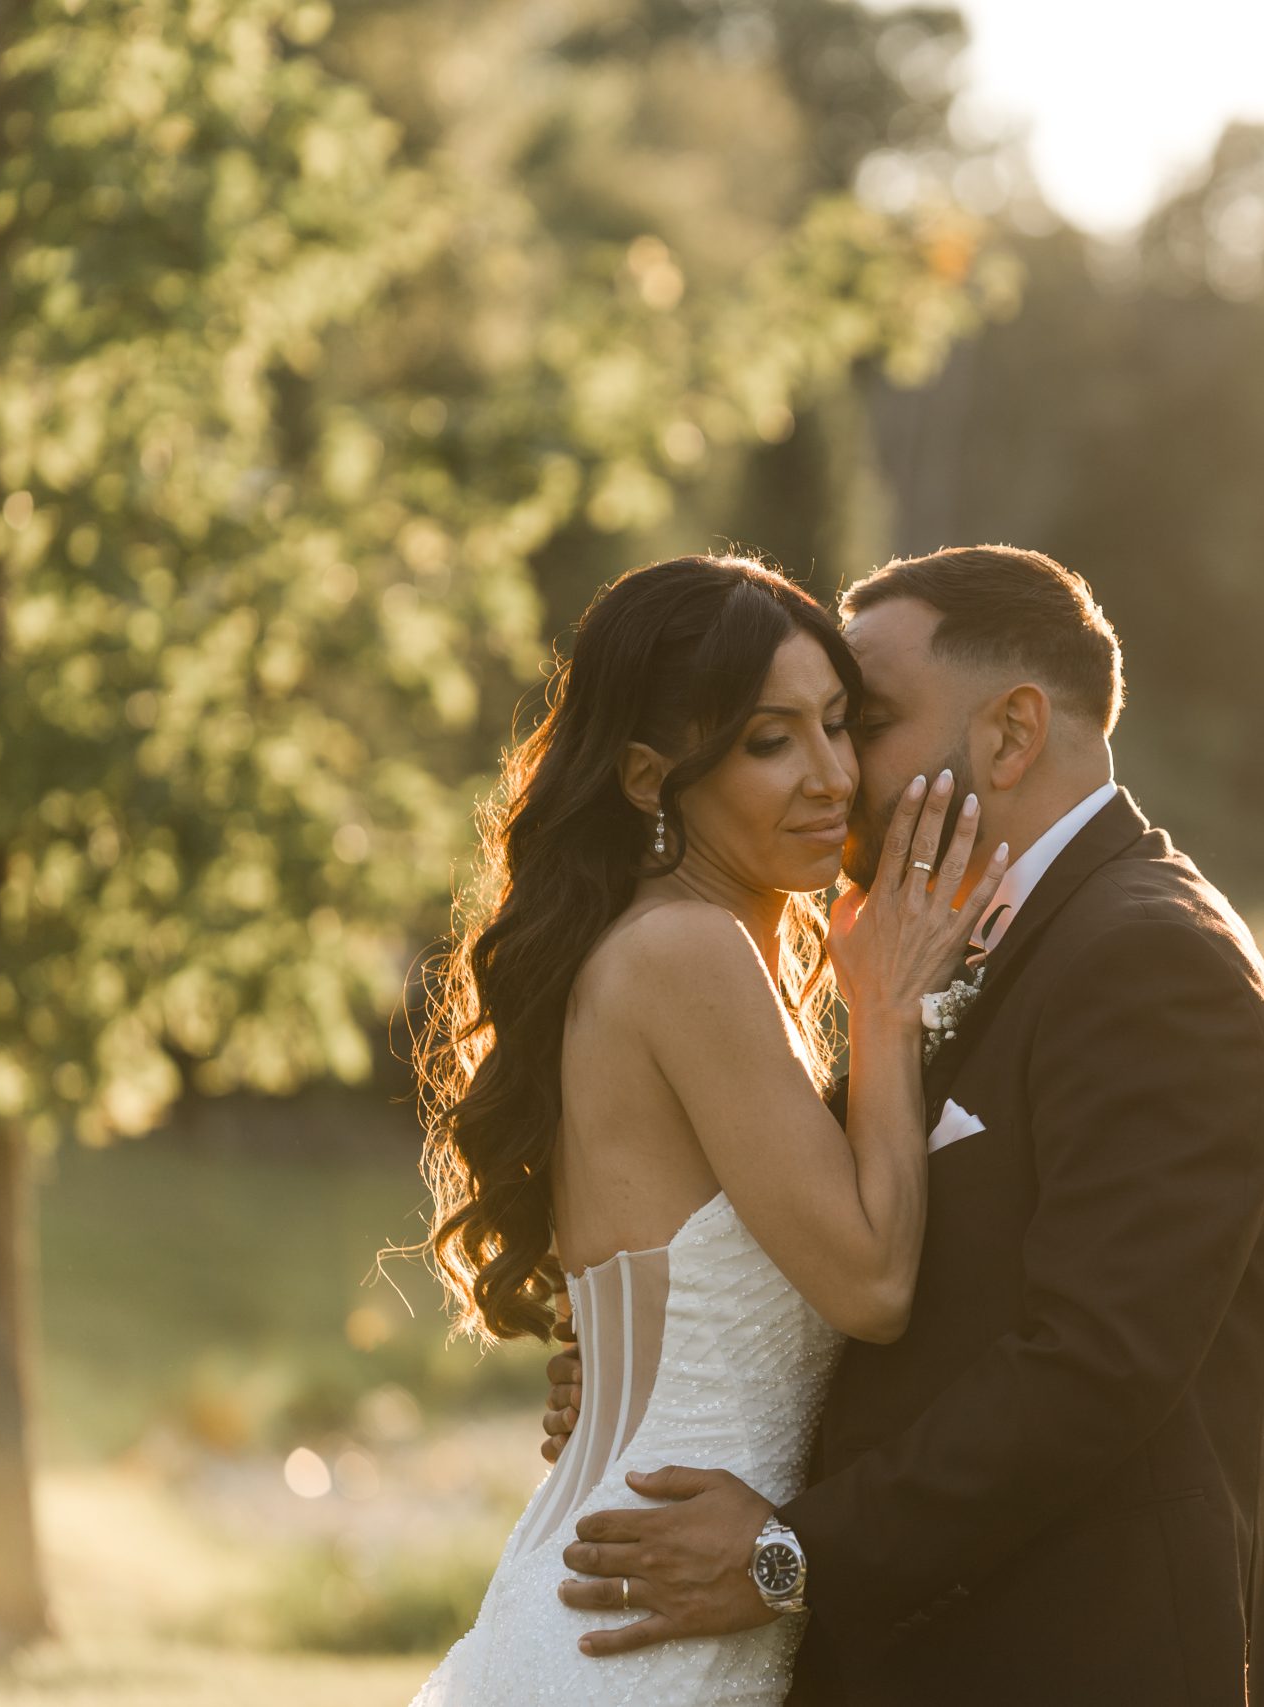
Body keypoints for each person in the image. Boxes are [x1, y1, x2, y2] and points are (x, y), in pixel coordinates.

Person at [540, 546, 1264, 1706]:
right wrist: (649, 1379)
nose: (839, 773)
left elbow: (1095, 1366)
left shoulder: (1154, 961)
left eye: (866, 722)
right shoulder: (924, 948)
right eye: (803, 732)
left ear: (1007, 736)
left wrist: (791, 1558)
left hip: (1067, 1663)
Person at [408, 553, 1006, 1704]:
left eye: (840, 724)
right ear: (649, 777)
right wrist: (885, 1004)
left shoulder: (681, 947)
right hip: (641, 1631)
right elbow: (874, 1283)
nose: (833, 776)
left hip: (646, 1595)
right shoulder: (689, 953)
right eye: (768, 741)